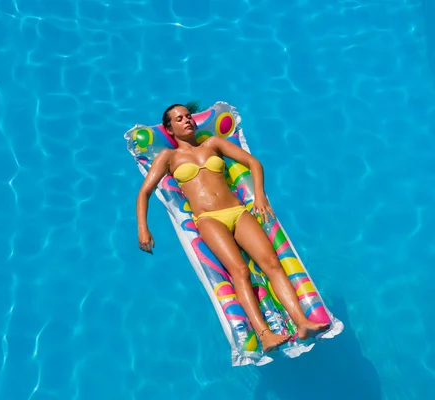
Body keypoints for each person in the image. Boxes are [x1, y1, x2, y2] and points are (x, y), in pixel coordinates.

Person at [136, 104, 330, 353]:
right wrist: (143, 228)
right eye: (179, 119)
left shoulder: (213, 144)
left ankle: (302, 323)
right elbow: (145, 193)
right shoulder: (168, 157)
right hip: (209, 219)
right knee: (239, 271)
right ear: (169, 128)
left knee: (272, 263)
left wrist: (259, 196)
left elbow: (253, 163)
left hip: (238, 212)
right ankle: (265, 334)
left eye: (188, 116)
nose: (187, 121)